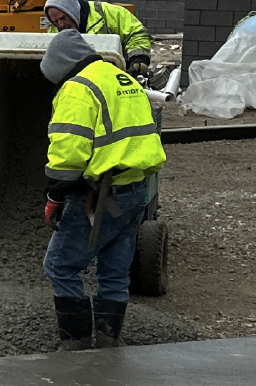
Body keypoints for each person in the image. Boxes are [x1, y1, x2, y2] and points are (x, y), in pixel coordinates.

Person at [39, 19, 167, 349]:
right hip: (136, 189)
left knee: (59, 266)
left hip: (99, 195)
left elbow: (69, 153)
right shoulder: (122, 78)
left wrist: (54, 196)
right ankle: (110, 340)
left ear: (62, 67)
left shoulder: (78, 89)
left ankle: (77, 344)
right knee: (113, 269)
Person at [42, 0, 154, 79]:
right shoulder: (54, 30)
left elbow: (136, 33)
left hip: (117, 77)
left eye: (63, 18)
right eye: (55, 21)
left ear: (72, 10)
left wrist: (138, 59)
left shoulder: (108, 13)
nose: (61, 25)